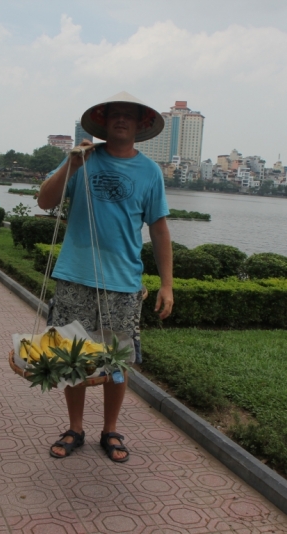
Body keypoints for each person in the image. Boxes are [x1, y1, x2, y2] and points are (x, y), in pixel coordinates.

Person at [37, 91, 174, 463]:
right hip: (75, 276)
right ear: (104, 120)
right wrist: (71, 164)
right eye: (116, 115)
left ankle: (110, 429)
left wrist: (166, 284)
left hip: (124, 282)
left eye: (129, 116)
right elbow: (44, 201)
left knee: (117, 362)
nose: (122, 120)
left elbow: (159, 229)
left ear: (139, 125)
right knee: (72, 357)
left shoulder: (149, 172)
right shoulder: (83, 159)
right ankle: (75, 427)